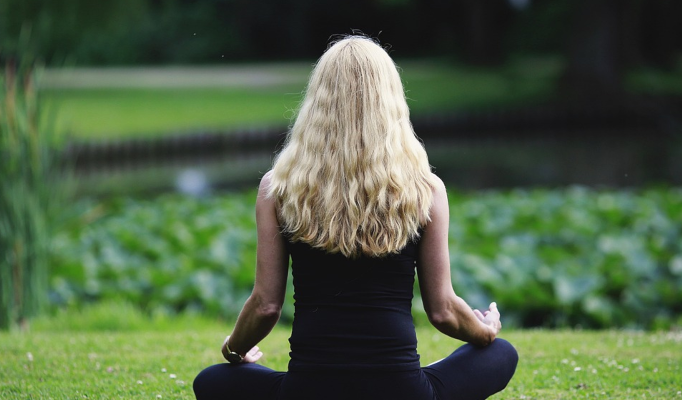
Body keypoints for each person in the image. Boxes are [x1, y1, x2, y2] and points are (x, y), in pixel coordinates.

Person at [193, 35, 518, 400]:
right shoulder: (425, 189)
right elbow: (442, 311)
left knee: (210, 381)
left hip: (308, 393)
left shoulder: (279, 188)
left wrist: (234, 349)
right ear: (390, 100)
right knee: (502, 354)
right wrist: (484, 331)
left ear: (317, 102)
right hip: (402, 393)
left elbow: (266, 305)